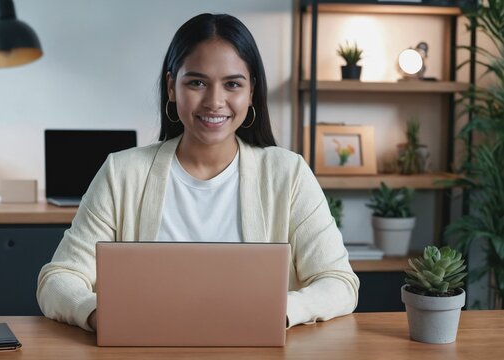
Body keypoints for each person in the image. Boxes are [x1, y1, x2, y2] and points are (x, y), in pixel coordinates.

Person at [37, 13, 359, 331]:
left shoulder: (288, 174)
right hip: (145, 349)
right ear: (172, 87)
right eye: (197, 82)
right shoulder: (121, 173)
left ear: (251, 92)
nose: (214, 101)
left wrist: (280, 312)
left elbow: (339, 282)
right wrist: (97, 313)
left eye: (232, 84)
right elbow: (59, 279)